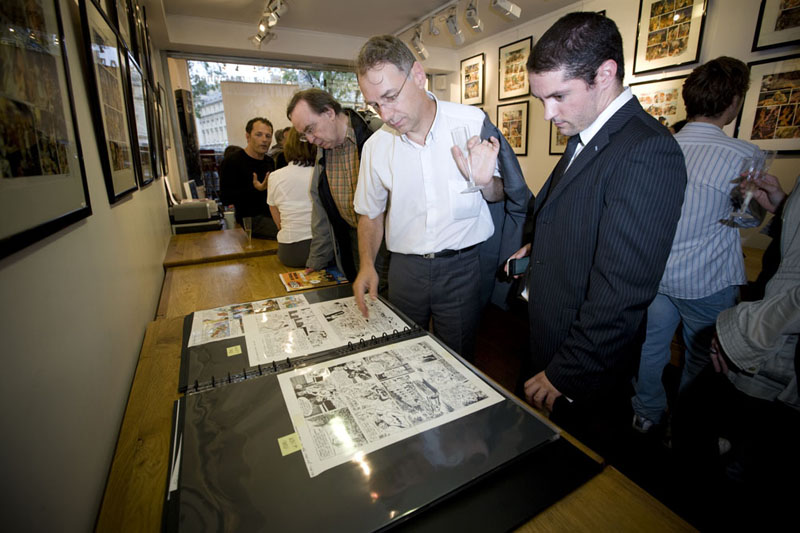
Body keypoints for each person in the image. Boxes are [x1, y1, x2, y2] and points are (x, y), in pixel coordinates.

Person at [507, 12, 686, 453]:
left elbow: (624, 288)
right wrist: (539, 246)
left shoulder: (647, 149)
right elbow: (579, 218)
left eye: (558, 96)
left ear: (605, 74)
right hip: (551, 333)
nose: (548, 113)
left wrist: (566, 372)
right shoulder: (586, 134)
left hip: (582, 363)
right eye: (542, 99)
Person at [352, 35, 530, 360]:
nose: (385, 114)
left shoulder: (472, 123)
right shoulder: (376, 146)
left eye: (391, 97)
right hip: (405, 270)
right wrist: (366, 265)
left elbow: (502, 194)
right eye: (375, 104)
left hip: (462, 268)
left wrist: (483, 182)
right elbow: (370, 213)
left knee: (458, 358)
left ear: (418, 76)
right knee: (403, 356)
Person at [630, 57, 767, 433]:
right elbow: (748, 218)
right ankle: (686, 428)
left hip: (657, 274)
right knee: (701, 358)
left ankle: (646, 414)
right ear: (734, 101)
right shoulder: (743, 155)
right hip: (707, 278)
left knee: (651, 347)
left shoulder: (657, 147)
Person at [673, 173, 797, 530]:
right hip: (771, 331)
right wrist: (782, 204)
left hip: (777, 342)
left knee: (698, 416)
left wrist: (740, 331)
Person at [287, 89, 385, 282]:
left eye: (310, 129)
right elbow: (321, 211)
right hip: (353, 243)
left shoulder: (378, 134)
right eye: (304, 135)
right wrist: (317, 259)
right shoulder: (323, 150)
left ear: (329, 113)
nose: (310, 140)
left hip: (388, 244)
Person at [252, 128, 315, 267]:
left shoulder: (275, 177)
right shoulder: (321, 173)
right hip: (320, 250)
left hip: (289, 252)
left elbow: (276, 216)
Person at [219, 117, 278, 238]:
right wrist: (256, 189)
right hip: (249, 219)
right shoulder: (232, 161)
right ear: (248, 136)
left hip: (271, 214)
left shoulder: (269, 161)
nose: (264, 140)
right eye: (259, 135)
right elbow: (225, 198)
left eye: (268, 136)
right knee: (287, 232)